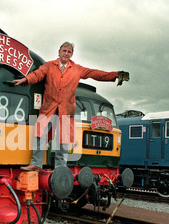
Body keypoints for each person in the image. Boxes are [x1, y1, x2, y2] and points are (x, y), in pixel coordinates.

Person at [13, 42, 129, 172]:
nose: (66, 53)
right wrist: (26, 79)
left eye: (69, 52)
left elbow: (95, 73)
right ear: (59, 51)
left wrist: (115, 75)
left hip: (67, 110)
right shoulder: (49, 66)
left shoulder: (77, 69)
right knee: (40, 133)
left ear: (71, 54)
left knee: (64, 139)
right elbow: (37, 74)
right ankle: (36, 164)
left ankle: (60, 167)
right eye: (64, 50)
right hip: (48, 107)